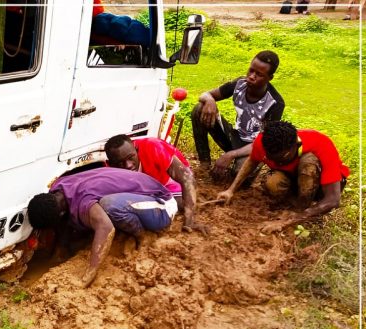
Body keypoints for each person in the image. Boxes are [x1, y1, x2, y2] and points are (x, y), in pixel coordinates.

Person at [27, 168, 177, 287]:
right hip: (139, 194)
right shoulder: (59, 185)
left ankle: (143, 237)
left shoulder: (83, 202)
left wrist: (89, 274)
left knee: (109, 206)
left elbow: (106, 228)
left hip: (161, 204)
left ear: (60, 214)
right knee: (108, 205)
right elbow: (65, 220)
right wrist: (60, 251)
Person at [216, 121, 349, 233]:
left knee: (309, 163)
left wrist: (289, 221)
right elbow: (252, 161)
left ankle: (301, 208)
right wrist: (230, 190)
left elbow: (333, 200)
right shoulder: (263, 142)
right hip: (295, 179)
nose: (278, 162)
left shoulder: (320, 143)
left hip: (321, 187)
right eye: (272, 158)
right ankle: (292, 203)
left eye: (282, 158)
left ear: (296, 146)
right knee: (272, 183)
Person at [191, 51, 285, 180]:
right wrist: (210, 100)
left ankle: (238, 168)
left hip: (254, 146)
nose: (252, 76)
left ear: (270, 78)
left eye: (259, 75)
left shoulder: (275, 103)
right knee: (200, 108)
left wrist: (230, 155)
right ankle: (205, 164)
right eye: (251, 70)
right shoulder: (240, 84)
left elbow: (264, 143)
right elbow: (204, 94)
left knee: (239, 176)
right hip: (235, 137)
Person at [104, 135, 208, 233]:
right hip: (148, 188)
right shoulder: (109, 172)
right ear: (110, 163)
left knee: (180, 204)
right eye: (120, 163)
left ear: (137, 150)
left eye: (131, 157)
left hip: (169, 181)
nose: (128, 165)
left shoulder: (153, 147)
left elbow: (187, 178)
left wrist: (189, 221)